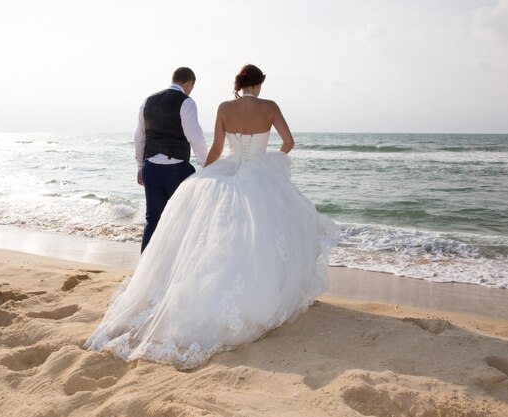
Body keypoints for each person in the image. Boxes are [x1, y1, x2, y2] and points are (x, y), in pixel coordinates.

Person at [85, 64, 339, 370]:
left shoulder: (224, 107)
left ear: (239, 84)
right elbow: (289, 142)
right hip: (260, 172)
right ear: (257, 85)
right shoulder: (270, 106)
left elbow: (217, 148)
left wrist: (208, 171)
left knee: (219, 233)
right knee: (266, 233)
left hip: (229, 169)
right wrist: (272, 162)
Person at [134, 67, 208, 252]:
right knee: (182, 219)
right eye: (192, 86)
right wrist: (206, 164)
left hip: (150, 167)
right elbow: (195, 137)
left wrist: (139, 166)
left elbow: (139, 136)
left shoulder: (148, 101)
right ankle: (175, 267)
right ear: (189, 82)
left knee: (153, 219)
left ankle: (146, 267)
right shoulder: (187, 102)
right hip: (176, 169)